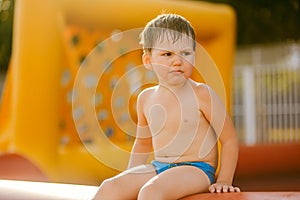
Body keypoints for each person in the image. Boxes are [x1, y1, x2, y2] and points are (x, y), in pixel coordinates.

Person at [93, 13, 240, 200]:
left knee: (151, 191)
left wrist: (224, 180)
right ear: (148, 60)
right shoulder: (145, 98)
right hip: (159, 166)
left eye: (185, 53)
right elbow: (142, 143)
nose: (177, 61)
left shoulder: (202, 94)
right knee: (110, 187)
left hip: (197, 169)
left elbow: (229, 140)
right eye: (167, 54)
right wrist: (130, 178)